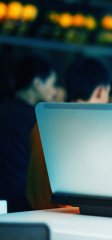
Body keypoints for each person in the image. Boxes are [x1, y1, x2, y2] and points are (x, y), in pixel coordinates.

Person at [26, 56, 111, 210]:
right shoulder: (91, 129)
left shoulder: (41, 122)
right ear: (100, 91)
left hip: (35, 215)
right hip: (70, 219)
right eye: (107, 93)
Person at [0, 53, 57, 212]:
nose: (53, 91)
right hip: (24, 203)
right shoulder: (39, 121)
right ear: (37, 83)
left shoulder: (3, 109)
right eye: (52, 84)